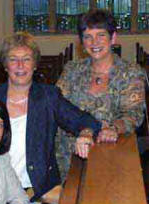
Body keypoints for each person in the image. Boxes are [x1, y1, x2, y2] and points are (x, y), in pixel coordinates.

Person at [0, 31, 103, 202]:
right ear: (5, 65)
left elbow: (86, 121)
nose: (20, 66)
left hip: (38, 191)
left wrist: (86, 133)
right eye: (13, 59)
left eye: (26, 59)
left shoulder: (49, 97)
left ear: (35, 64)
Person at [56, 9, 145, 182]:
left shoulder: (130, 72)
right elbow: (57, 106)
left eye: (101, 35)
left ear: (113, 38)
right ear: (82, 41)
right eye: (88, 36)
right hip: (67, 156)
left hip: (110, 154)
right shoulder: (72, 70)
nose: (94, 42)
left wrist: (113, 128)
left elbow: (133, 114)